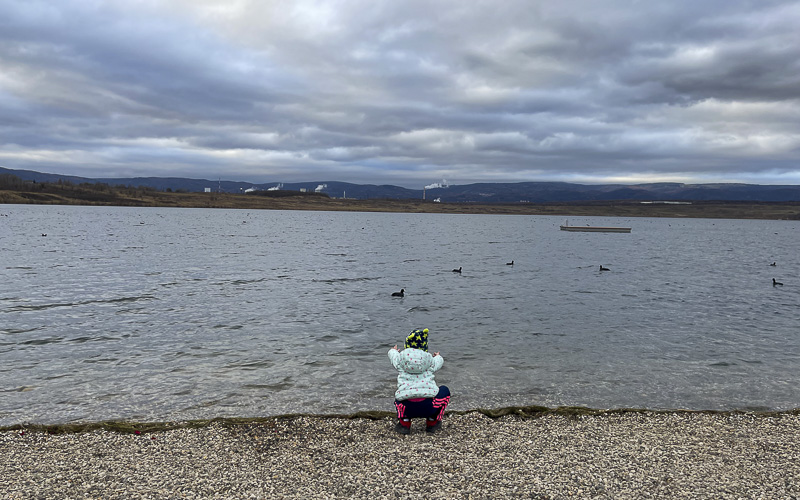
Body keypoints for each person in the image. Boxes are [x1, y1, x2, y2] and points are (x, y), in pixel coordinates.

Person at [388, 328, 450, 434]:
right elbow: (438, 363)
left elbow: (393, 357)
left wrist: (393, 351)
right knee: (445, 390)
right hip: (429, 405)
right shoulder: (429, 359)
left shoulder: (401, 358)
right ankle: (432, 422)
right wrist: (438, 357)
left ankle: (404, 424)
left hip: (407, 406)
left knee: (400, 392)